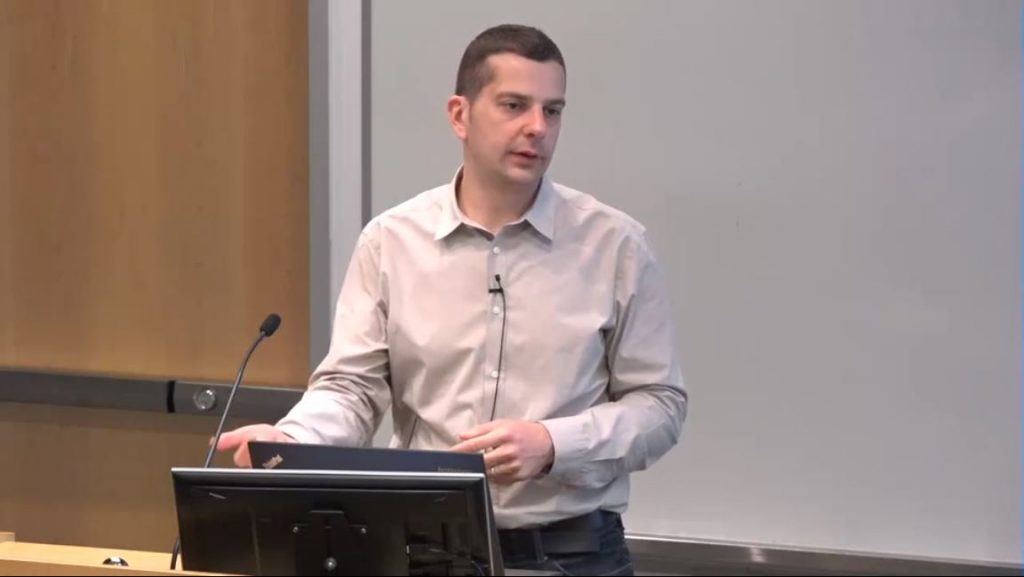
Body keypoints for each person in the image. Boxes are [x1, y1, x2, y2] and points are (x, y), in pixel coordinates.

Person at [217, 23, 686, 577]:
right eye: (514, 105)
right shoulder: (391, 241)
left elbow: (660, 406)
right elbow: (353, 388)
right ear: (460, 115)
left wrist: (553, 443)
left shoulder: (615, 246)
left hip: (572, 553)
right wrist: (291, 441)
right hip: (421, 549)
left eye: (552, 110)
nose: (537, 128)